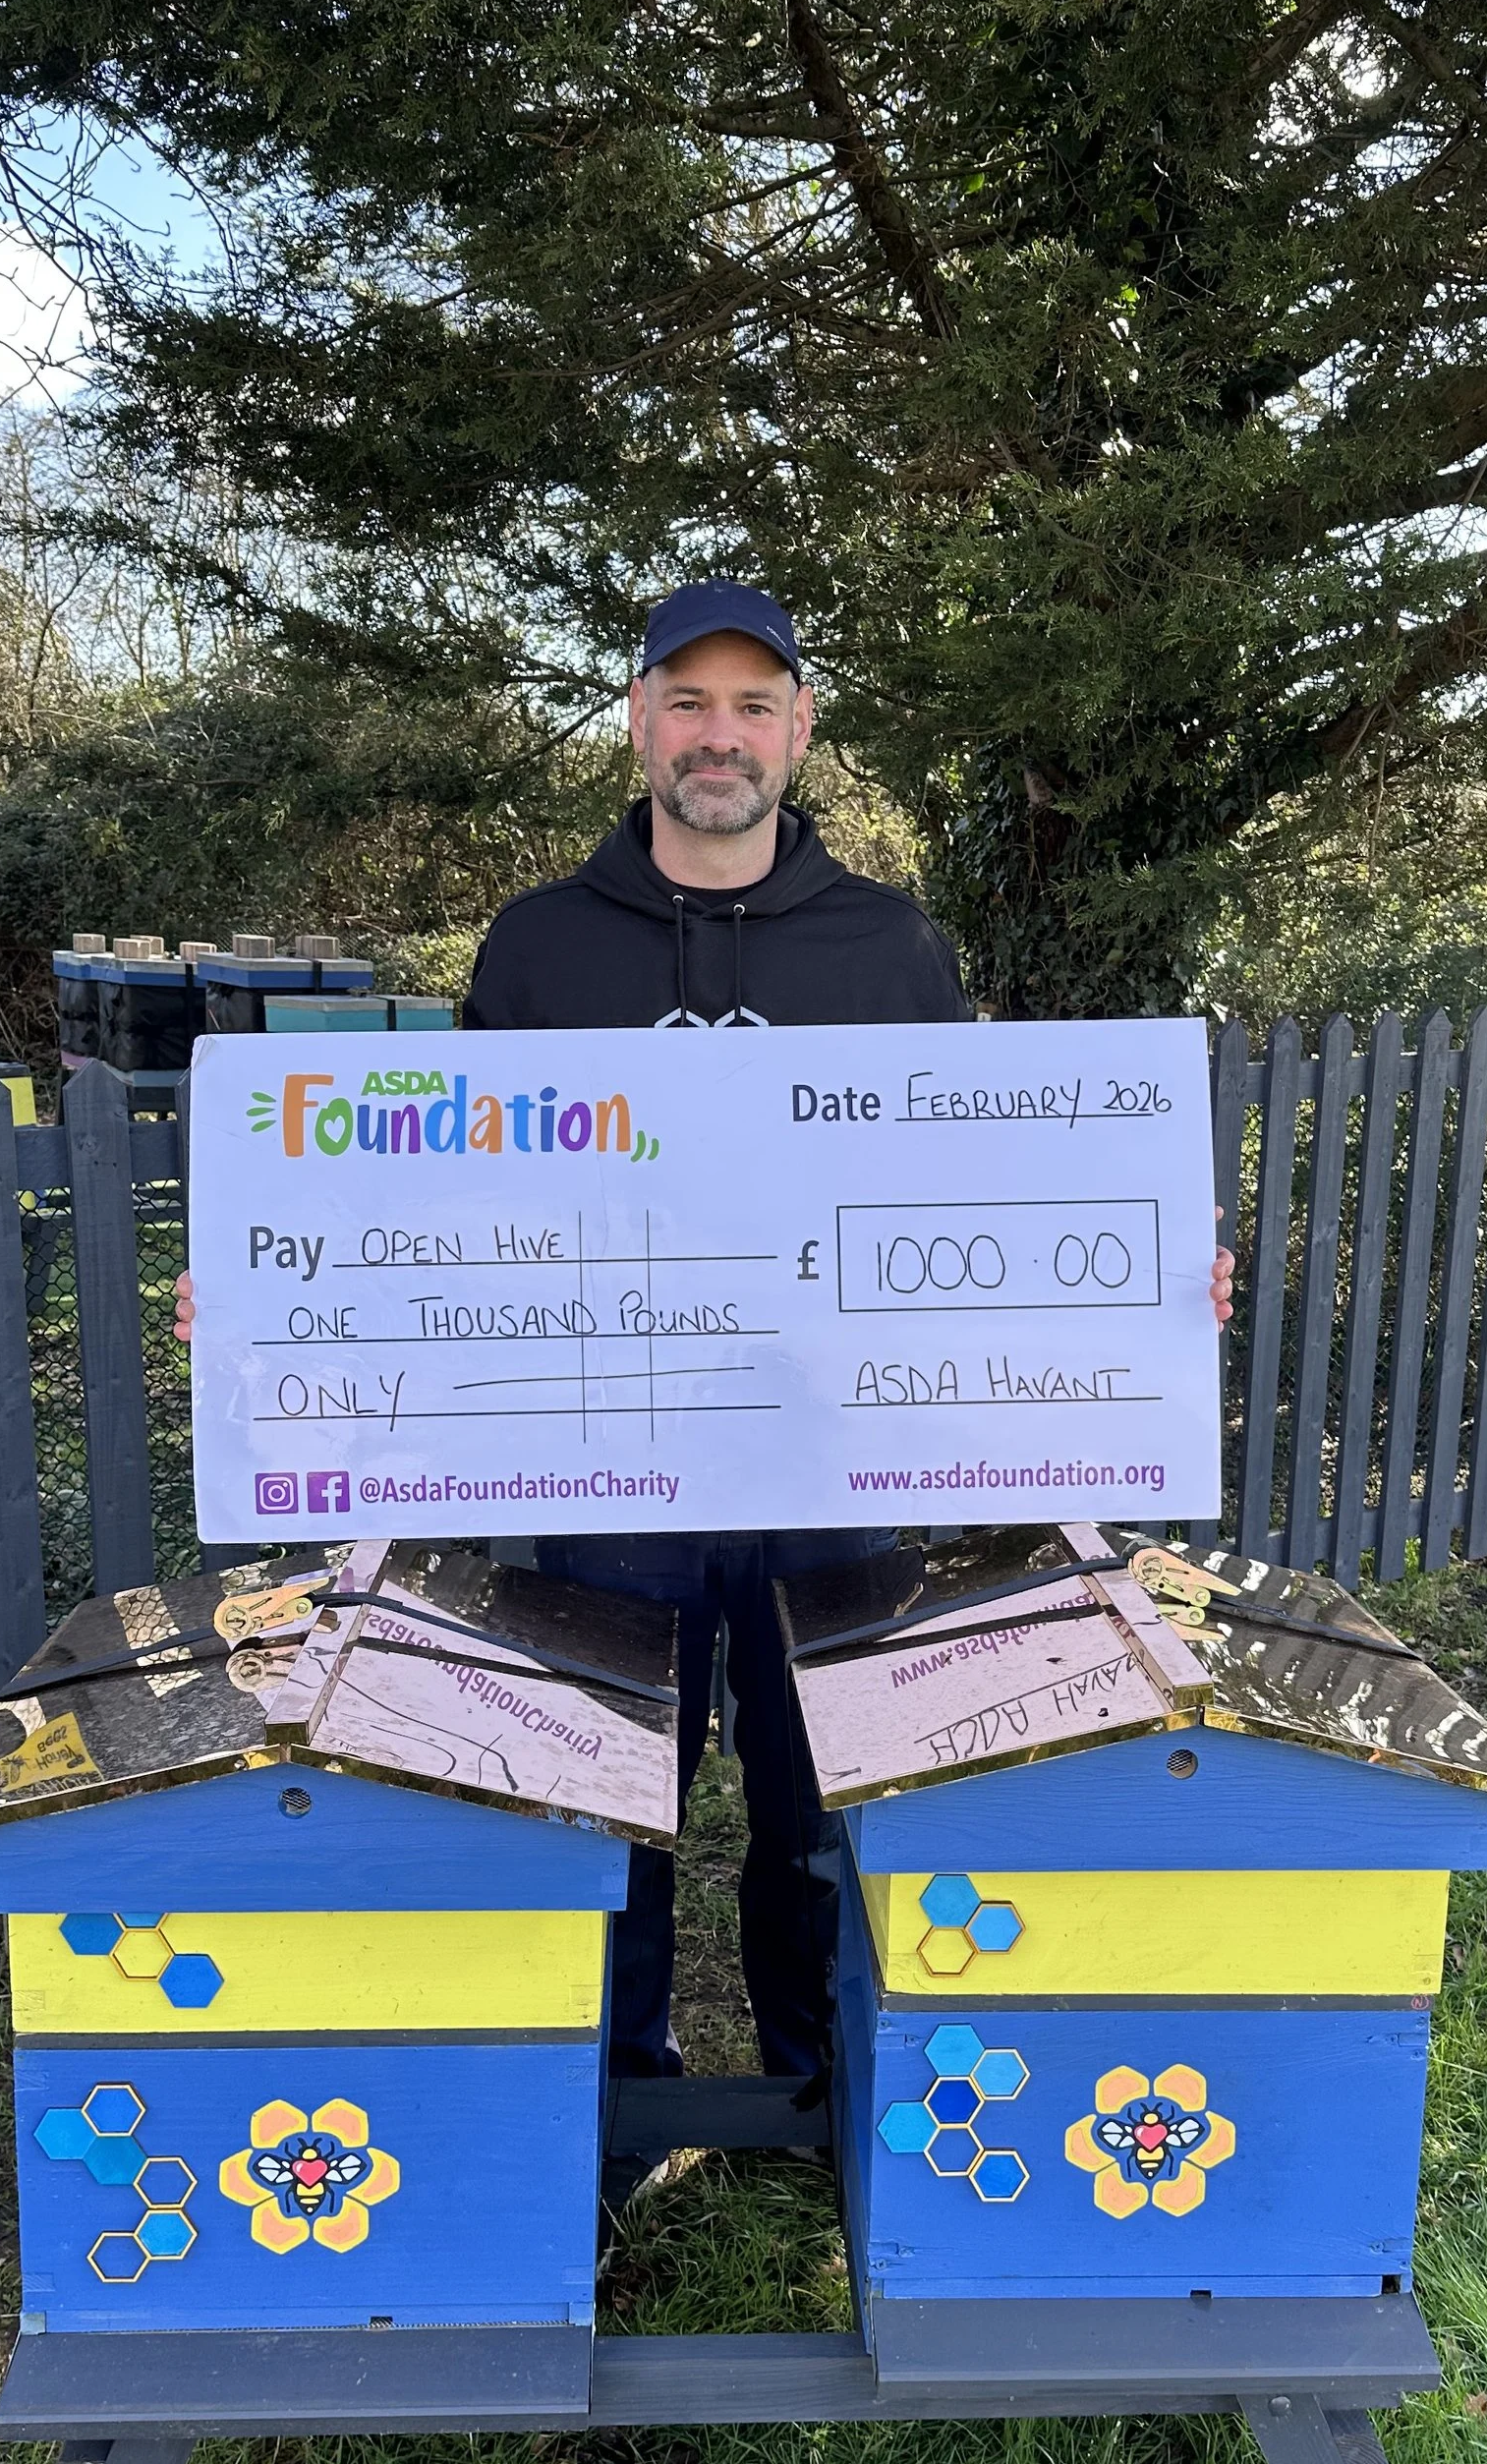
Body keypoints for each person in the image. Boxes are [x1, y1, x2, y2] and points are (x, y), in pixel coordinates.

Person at [178, 579, 1230, 2097]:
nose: (717, 736)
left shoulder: (892, 952)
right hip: (607, 1479)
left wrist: (1142, 1300)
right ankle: (623, 2102)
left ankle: (831, 2095)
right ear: (639, 721)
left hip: (840, 1477)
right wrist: (268, 1305)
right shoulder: (540, 949)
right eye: (688, 702)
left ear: (801, 729)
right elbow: (450, 1209)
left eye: (752, 705)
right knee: (608, 1796)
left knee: (830, 1810)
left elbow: (973, 1192)